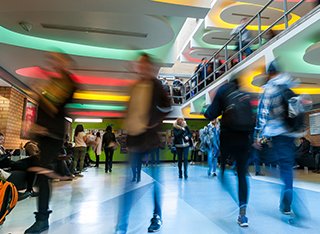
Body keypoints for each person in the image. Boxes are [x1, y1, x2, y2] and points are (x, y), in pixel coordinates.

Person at [116, 53, 171, 233]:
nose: (142, 68)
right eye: (140, 65)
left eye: (145, 65)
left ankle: (157, 216)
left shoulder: (157, 86)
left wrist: (152, 122)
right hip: (134, 139)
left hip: (151, 140)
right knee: (129, 183)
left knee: (155, 181)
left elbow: (167, 107)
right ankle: (121, 224)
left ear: (150, 67)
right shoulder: (135, 87)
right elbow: (129, 111)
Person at [24, 51, 78, 234]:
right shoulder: (54, 81)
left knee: (44, 174)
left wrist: (39, 90)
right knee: (41, 173)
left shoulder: (68, 83)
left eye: (57, 60)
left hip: (52, 135)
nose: (53, 62)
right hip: (45, 134)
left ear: (65, 63)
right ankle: (42, 216)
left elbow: (53, 106)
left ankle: (42, 219)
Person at [253, 60, 305, 218]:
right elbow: (297, 110)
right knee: (287, 166)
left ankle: (285, 192)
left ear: (270, 74)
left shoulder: (268, 89)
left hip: (275, 133)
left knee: (274, 163)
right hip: (290, 133)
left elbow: (262, 114)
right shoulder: (289, 85)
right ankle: (288, 188)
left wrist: (257, 135)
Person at [204, 76, 254, 227]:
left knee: (223, 168)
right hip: (244, 139)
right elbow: (253, 119)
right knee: (242, 175)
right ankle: (243, 214)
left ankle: (223, 172)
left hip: (228, 137)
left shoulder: (223, 91)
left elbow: (211, 113)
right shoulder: (245, 94)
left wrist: (206, 110)